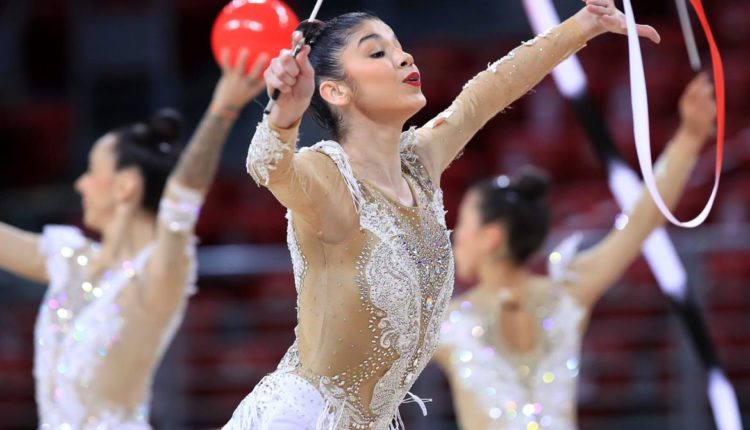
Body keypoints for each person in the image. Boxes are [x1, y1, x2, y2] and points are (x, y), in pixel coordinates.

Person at [224, 1, 660, 428]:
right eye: (377, 52)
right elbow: (267, 167)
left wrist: (584, 24)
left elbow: (486, 93)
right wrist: (283, 115)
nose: (404, 57)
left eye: (399, 47)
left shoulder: (418, 162)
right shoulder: (330, 177)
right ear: (336, 91)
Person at [0, 50, 266, 429]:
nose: (80, 184)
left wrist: (222, 110)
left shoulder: (155, 275)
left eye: (92, 171)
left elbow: (183, 198)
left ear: (125, 186)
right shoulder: (70, 259)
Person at [434, 74, 716, 430]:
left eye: (463, 225)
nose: (455, 237)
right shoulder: (568, 293)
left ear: (491, 238)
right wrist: (689, 138)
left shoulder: (448, 323)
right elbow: (641, 222)